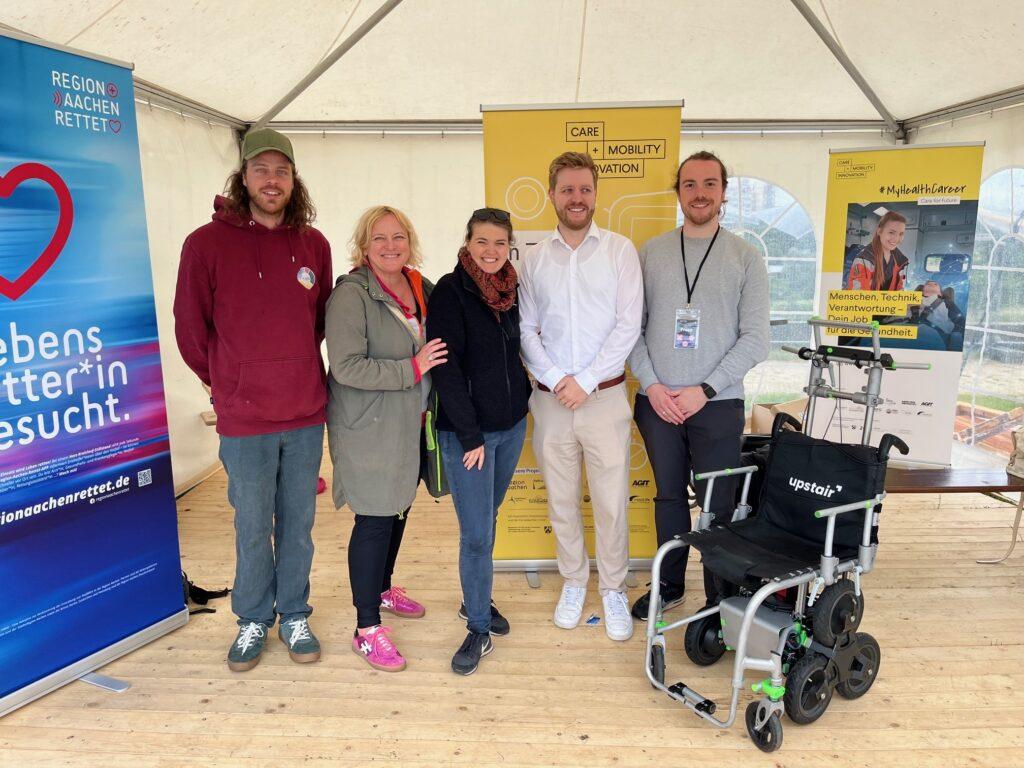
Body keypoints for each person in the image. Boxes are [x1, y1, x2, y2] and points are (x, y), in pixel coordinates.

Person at [174, 128, 332, 671]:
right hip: (244, 419)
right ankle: (252, 619)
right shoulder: (205, 244)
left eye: (281, 171)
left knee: (298, 526)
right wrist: (225, 384)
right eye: (261, 169)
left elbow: (317, 322)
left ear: (294, 179)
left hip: (305, 413)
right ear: (242, 177)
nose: (272, 180)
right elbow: (190, 328)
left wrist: (297, 370)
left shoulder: (313, 244)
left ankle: (294, 614)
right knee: (251, 526)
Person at [627, 150, 769, 619]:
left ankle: (717, 598)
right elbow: (630, 331)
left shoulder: (746, 257)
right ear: (678, 192)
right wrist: (652, 386)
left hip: (717, 404)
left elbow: (756, 339)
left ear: (724, 192)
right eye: (690, 184)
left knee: (717, 504)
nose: (700, 193)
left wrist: (704, 390)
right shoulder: (650, 253)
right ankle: (669, 586)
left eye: (710, 183)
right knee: (668, 497)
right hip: (658, 403)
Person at [518, 152, 643, 642]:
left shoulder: (619, 251)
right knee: (561, 500)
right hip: (551, 402)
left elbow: (628, 324)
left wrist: (585, 380)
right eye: (567, 190)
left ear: (595, 194)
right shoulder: (534, 258)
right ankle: (574, 581)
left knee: (611, 502)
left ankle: (612, 588)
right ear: (552, 194)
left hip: (605, 399)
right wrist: (555, 379)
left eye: (584, 190)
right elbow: (526, 328)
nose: (577, 198)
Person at [325, 205, 447, 673]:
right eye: (380, 238)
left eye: (399, 237)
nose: (391, 246)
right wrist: (412, 368)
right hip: (369, 428)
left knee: (398, 508)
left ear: (410, 243)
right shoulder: (351, 296)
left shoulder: (419, 286)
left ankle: (382, 589)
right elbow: (346, 366)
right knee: (375, 519)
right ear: (364, 246)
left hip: (410, 424)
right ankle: (366, 627)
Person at [426, 207, 531, 675]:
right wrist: (470, 436)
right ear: (467, 243)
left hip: (511, 427)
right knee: (476, 534)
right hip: (469, 436)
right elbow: (445, 369)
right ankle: (478, 628)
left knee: (487, 518)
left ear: (509, 247)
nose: (491, 251)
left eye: (499, 243)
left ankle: (476, 599)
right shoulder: (451, 292)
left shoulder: (510, 290)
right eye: (482, 241)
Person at [847, 211, 909, 290]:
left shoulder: (901, 261)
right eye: (891, 232)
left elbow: (899, 288)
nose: (896, 238)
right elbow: (859, 294)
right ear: (879, 231)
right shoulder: (864, 260)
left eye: (901, 234)